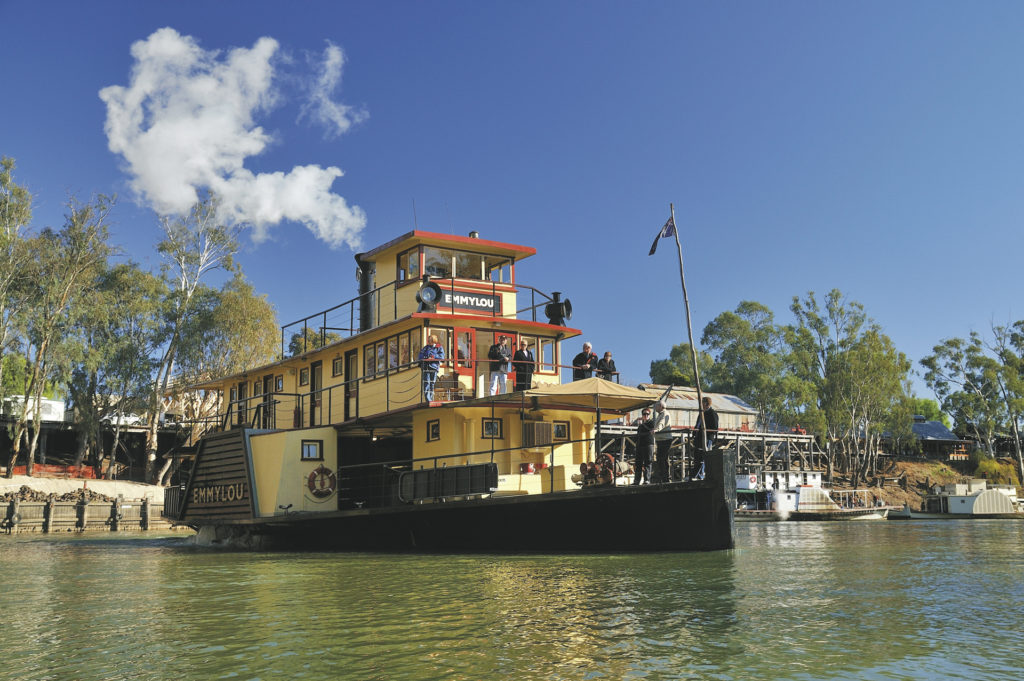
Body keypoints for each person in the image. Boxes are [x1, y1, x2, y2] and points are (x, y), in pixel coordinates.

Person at [690, 396, 718, 480]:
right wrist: (694, 433)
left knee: (704, 456)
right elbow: (697, 424)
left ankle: (701, 474)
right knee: (697, 456)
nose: (701, 404)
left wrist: (705, 432)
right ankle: (697, 475)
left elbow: (715, 428)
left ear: (706, 403)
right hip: (699, 438)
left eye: (702, 403)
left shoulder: (712, 413)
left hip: (707, 438)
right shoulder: (701, 413)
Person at [418, 334, 444, 401]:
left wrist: (433, 357)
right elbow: (420, 356)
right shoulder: (425, 348)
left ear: (434, 341)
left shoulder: (439, 347)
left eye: (431, 341)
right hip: (426, 367)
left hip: (434, 367)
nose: (429, 343)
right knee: (426, 383)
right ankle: (428, 399)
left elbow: (442, 357)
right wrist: (426, 357)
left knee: (432, 383)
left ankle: (431, 398)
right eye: (429, 341)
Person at [651, 401, 672, 483]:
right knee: (661, 458)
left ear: (660, 406)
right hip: (661, 439)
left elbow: (662, 423)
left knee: (663, 458)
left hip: (665, 439)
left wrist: (656, 430)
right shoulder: (660, 414)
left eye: (656, 406)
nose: (655, 408)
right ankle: (664, 476)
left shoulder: (665, 414)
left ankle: (665, 477)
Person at [632, 407, 654, 485]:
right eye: (644, 414)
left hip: (648, 444)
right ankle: (636, 480)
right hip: (640, 445)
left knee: (648, 462)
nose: (645, 415)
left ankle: (647, 480)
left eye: (647, 414)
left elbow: (652, 429)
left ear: (649, 415)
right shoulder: (641, 425)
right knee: (638, 463)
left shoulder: (651, 423)